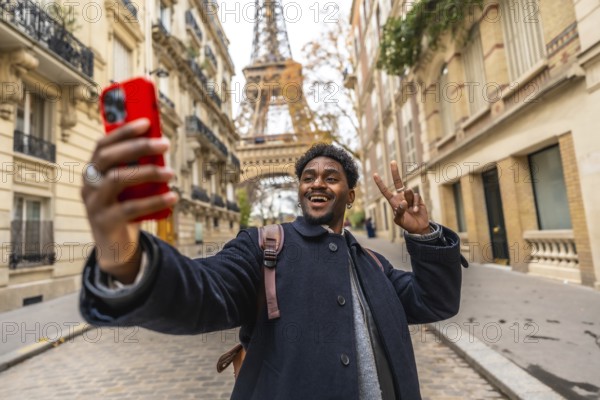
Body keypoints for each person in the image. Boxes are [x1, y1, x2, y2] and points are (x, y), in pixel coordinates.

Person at [79, 119, 466, 400]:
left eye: (331, 177)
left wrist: (424, 234)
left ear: (350, 196)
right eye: (308, 177)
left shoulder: (373, 265)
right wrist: (123, 255)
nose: (317, 183)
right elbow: (204, 293)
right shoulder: (263, 246)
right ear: (299, 190)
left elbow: (436, 300)